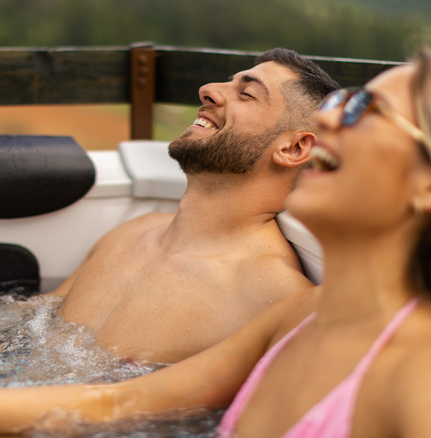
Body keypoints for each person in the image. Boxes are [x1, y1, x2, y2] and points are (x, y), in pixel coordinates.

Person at [0, 47, 431, 438]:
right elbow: (111, 407)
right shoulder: (301, 318)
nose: (333, 128)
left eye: (367, 110)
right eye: (343, 102)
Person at [47, 48, 340, 363]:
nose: (208, 90)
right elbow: (21, 321)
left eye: (247, 95)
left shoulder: (276, 298)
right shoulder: (132, 233)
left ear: (294, 147)